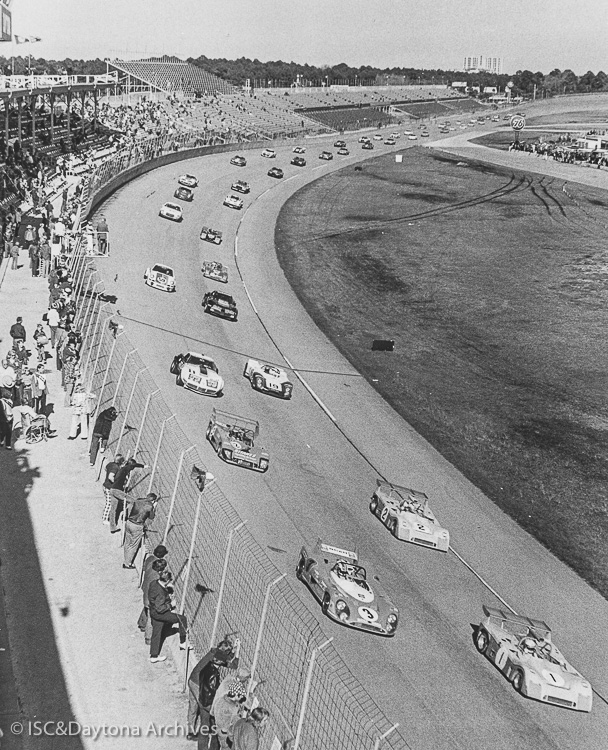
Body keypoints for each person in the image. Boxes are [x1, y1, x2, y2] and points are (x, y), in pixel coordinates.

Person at [187, 639, 237, 740]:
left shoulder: (214, 653)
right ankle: (203, 731)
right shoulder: (217, 657)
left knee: (193, 707)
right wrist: (237, 651)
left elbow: (227, 660)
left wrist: (234, 650)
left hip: (192, 679)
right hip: (198, 684)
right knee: (203, 708)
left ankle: (190, 731)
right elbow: (233, 665)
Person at [148, 570, 189, 662]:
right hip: (160, 614)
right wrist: (171, 605)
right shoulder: (161, 594)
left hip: (153, 611)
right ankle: (183, 642)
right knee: (182, 619)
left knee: (156, 633)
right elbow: (160, 608)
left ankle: (154, 656)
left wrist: (166, 588)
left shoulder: (154, 583)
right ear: (167, 581)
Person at [109, 457, 148, 533]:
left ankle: (112, 528)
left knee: (113, 509)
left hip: (112, 490)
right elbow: (133, 465)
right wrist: (143, 466)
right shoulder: (125, 469)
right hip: (117, 491)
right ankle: (126, 517)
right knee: (133, 501)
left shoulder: (121, 470)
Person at [122, 492, 158, 569]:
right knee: (133, 545)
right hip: (137, 526)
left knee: (127, 542)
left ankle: (125, 559)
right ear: (153, 501)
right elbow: (151, 517)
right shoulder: (150, 506)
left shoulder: (138, 500)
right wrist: (154, 508)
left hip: (129, 522)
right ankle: (127, 564)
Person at [139, 557, 167, 644]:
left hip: (146, 594)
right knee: (152, 619)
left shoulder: (151, 570)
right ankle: (148, 638)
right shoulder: (157, 578)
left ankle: (141, 624)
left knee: (146, 608)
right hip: (151, 599)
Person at [102, 454, 124, 524]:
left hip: (105, 485)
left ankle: (105, 517)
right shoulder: (116, 467)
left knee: (108, 502)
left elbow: (105, 468)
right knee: (109, 503)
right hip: (109, 487)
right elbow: (110, 476)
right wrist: (116, 482)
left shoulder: (110, 464)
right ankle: (105, 519)